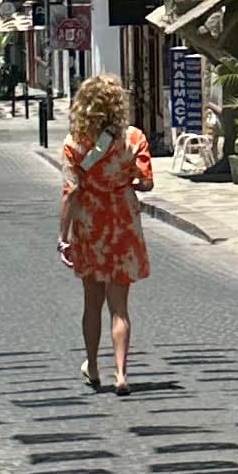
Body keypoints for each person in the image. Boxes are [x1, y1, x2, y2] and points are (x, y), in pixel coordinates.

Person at [57, 70, 152, 392]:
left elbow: (71, 191)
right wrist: (125, 180)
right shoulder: (134, 139)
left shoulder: (74, 144)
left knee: (91, 304)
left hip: (90, 226)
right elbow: (147, 182)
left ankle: (94, 366)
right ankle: (122, 374)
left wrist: (63, 236)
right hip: (123, 224)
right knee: (120, 307)